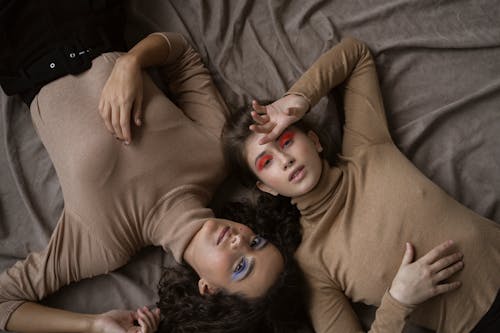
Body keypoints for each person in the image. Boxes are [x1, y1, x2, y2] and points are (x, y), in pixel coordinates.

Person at [0, 2, 305, 332]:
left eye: (240, 267)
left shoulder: (104, 242)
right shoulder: (215, 155)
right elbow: (181, 54)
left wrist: (93, 326)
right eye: (255, 242)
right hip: (92, 15)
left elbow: (3, 304)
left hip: (16, 42)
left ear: (208, 289)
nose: (238, 242)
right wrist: (132, 62)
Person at [222, 37, 500, 332]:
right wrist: (398, 301)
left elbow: (355, 55)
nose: (285, 159)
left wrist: (297, 99)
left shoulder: (366, 147)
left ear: (313, 140)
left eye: (287, 140)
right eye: (266, 163)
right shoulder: (312, 262)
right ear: (266, 187)